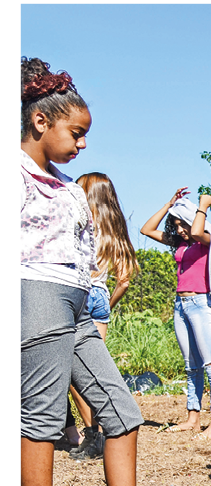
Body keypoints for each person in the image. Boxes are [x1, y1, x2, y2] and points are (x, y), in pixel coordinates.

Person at [20, 56, 169, 486]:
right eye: (76, 134)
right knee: (40, 418)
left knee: (121, 410)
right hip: (34, 295)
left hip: (79, 302)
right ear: (41, 122)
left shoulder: (64, 187)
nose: (82, 145)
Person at [140, 184, 211, 440]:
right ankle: (193, 419)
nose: (179, 230)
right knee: (191, 367)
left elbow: (197, 229)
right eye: (175, 226)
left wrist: (202, 206)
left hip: (203, 305)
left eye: (181, 224)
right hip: (181, 306)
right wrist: (169, 204)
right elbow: (146, 229)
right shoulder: (181, 244)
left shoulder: (205, 239)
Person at [64, 172, 140, 461]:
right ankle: (107, 429)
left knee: (76, 375)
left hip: (82, 293)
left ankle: (92, 434)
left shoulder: (83, 224)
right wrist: (106, 304)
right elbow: (124, 280)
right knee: (96, 370)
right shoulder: (113, 229)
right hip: (101, 297)